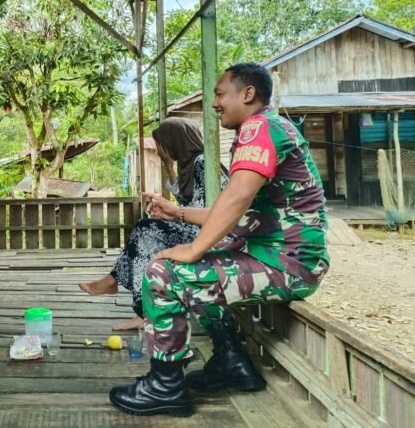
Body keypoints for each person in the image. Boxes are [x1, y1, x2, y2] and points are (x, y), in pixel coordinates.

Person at [109, 63, 329, 418]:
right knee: (194, 267)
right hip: (274, 256)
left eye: (220, 94)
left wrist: (193, 248)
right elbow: (233, 207)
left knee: (162, 274)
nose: (214, 103)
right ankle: (231, 361)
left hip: (287, 264)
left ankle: (166, 387)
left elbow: (237, 198)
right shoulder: (267, 128)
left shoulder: (260, 127)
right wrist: (178, 213)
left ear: (248, 94)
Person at [79, 117, 228, 331]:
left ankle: (140, 309)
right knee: (145, 228)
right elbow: (186, 201)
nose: (158, 150)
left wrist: (173, 213)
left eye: (161, 145)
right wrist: (169, 169)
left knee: (147, 233)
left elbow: (207, 211)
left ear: (175, 142)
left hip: (212, 234)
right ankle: (120, 287)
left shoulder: (202, 163)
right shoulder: (190, 163)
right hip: (198, 228)